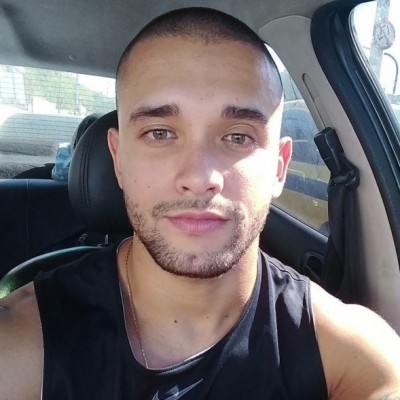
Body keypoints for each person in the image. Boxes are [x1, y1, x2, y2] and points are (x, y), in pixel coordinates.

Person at [1, 7, 400, 400]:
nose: (199, 177)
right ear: (119, 160)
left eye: (238, 137)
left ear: (279, 168)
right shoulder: (21, 342)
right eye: (160, 133)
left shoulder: (348, 356)